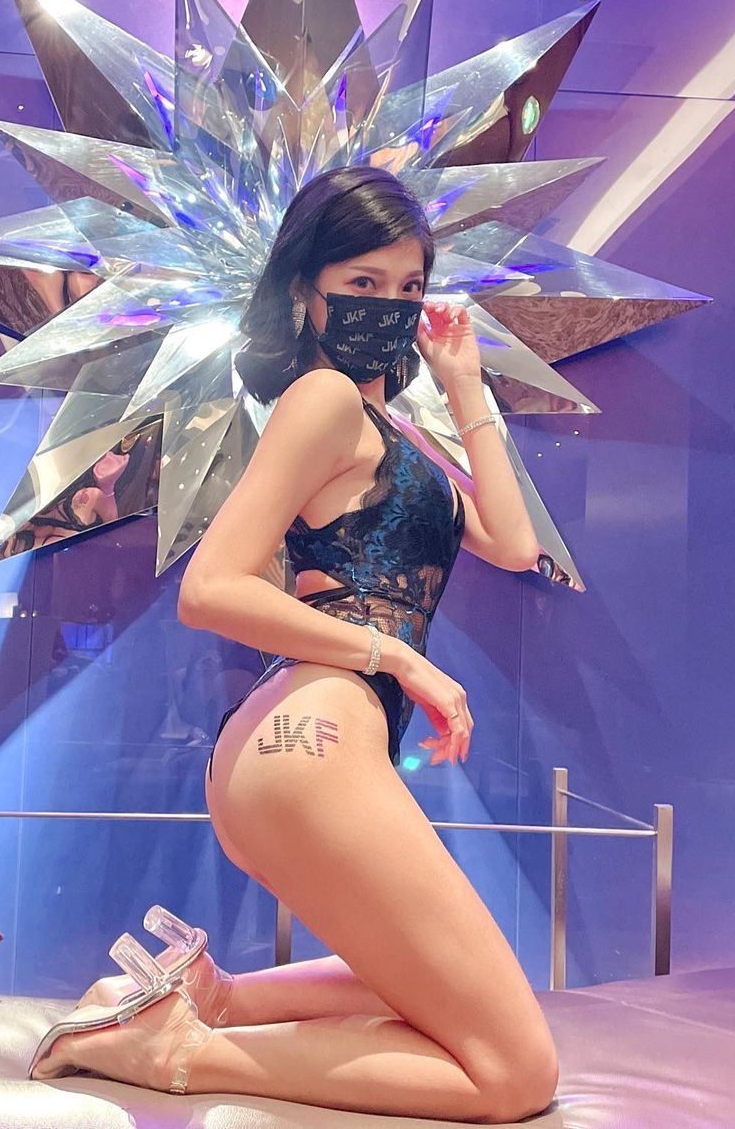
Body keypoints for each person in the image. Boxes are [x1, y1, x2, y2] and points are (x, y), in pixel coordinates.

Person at [29, 166, 560, 1122]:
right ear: (305, 290)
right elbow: (211, 589)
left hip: (303, 744)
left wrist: (465, 386)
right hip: (314, 742)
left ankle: (209, 998)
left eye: (409, 286)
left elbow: (515, 545)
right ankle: (178, 1051)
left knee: (437, 990)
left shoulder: (389, 429)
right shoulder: (323, 400)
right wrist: (400, 657)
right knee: (513, 1075)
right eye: (363, 283)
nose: (389, 307)